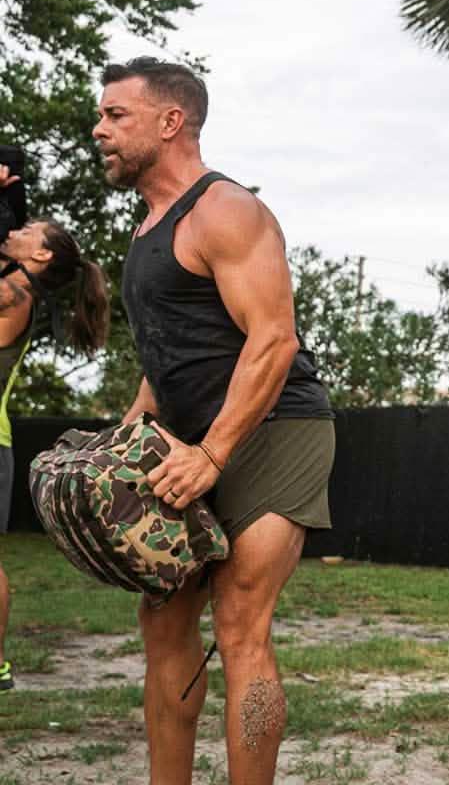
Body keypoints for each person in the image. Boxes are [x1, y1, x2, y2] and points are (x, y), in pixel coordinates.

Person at [93, 57, 335, 785]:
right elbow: (166, 360)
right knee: (164, 629)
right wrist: (126, 442)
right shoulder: (148, 231)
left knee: (239, 624)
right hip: (188, 442)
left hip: (275, 432)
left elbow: (274, 339)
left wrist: (215, 455)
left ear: (171, 122)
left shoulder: (225, 210)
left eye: (116, 115)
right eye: (101, 116)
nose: (99, 129)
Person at [0, 164, 111, 692]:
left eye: (26, 231)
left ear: (40, 256)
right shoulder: (11, 280)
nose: (14, 233)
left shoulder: (16, 296)